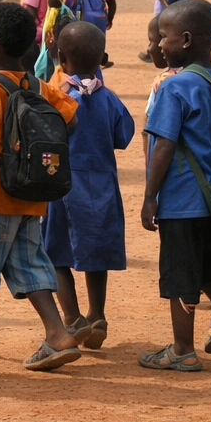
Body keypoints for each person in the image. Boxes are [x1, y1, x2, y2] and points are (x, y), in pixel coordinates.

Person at [0, 2, 84, 371]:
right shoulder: (39, 85)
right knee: (31, 265)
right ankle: (57, 333)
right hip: (30, 195)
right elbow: (70, 119)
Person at [138, 0, 211, 372]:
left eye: (163, 38)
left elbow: (163, 144)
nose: (159, 45)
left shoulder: (175, 87)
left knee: (180, 272)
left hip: (181, 199)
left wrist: (150, 196)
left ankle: (182, 348)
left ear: (184, 40)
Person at [43, 21, 135, 349]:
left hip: (63, 187)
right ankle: (97, 315)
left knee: (55, 255)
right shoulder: (108, 98)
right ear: (101, 60)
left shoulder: (57, 96)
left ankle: (72, 318)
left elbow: (44, 142)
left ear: (60, 57)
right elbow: (123, 136)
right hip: (102, 187)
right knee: (96, 254)